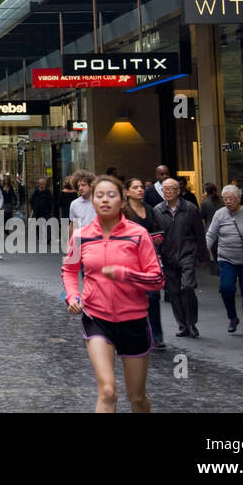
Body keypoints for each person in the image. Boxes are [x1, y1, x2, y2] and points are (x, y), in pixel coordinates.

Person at [62, 175, 164, 412]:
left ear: (122, 200)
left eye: (111, 195)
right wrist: (73, 296)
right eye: (99, 196)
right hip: (96, 318)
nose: (105, 200)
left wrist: (125, 274)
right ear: (93, 202)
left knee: (136, 397)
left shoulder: (138, 235)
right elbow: (69, 270)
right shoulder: (81, 236)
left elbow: (157, 279)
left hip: (134, 320)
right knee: (107, 391)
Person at [153, 178, 209, 338]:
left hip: (187, 254)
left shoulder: (190, 209)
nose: (168, 191)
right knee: (174, 292)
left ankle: (192, 323)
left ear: (178, 191)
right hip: (168, 255)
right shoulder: (157, 210)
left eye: (171, 189)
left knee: (188, 288)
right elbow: (155, 234)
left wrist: (202, 255)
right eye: (165, 189)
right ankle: (182, 325)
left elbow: (199, 233)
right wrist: (157, 252)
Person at [206, 184, 243, 336]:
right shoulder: (219, 214)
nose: (228, 202)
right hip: (226, 258)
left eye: (231, 198)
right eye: (225, 199)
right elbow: (211, 234)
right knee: (226, 288)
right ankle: (232, 317)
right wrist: (203, 251)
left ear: (239, 198)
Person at [123, 179, 165, 347]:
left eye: (141, 187)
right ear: (127, 192)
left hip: (149, 257)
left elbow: (155, 229)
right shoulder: (124, 211)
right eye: (135, 187)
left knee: (153, 295)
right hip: (130, 258)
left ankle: (156, 335)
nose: (140, 190)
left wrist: (158, 241)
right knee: (133, 296)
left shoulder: (149, 209)